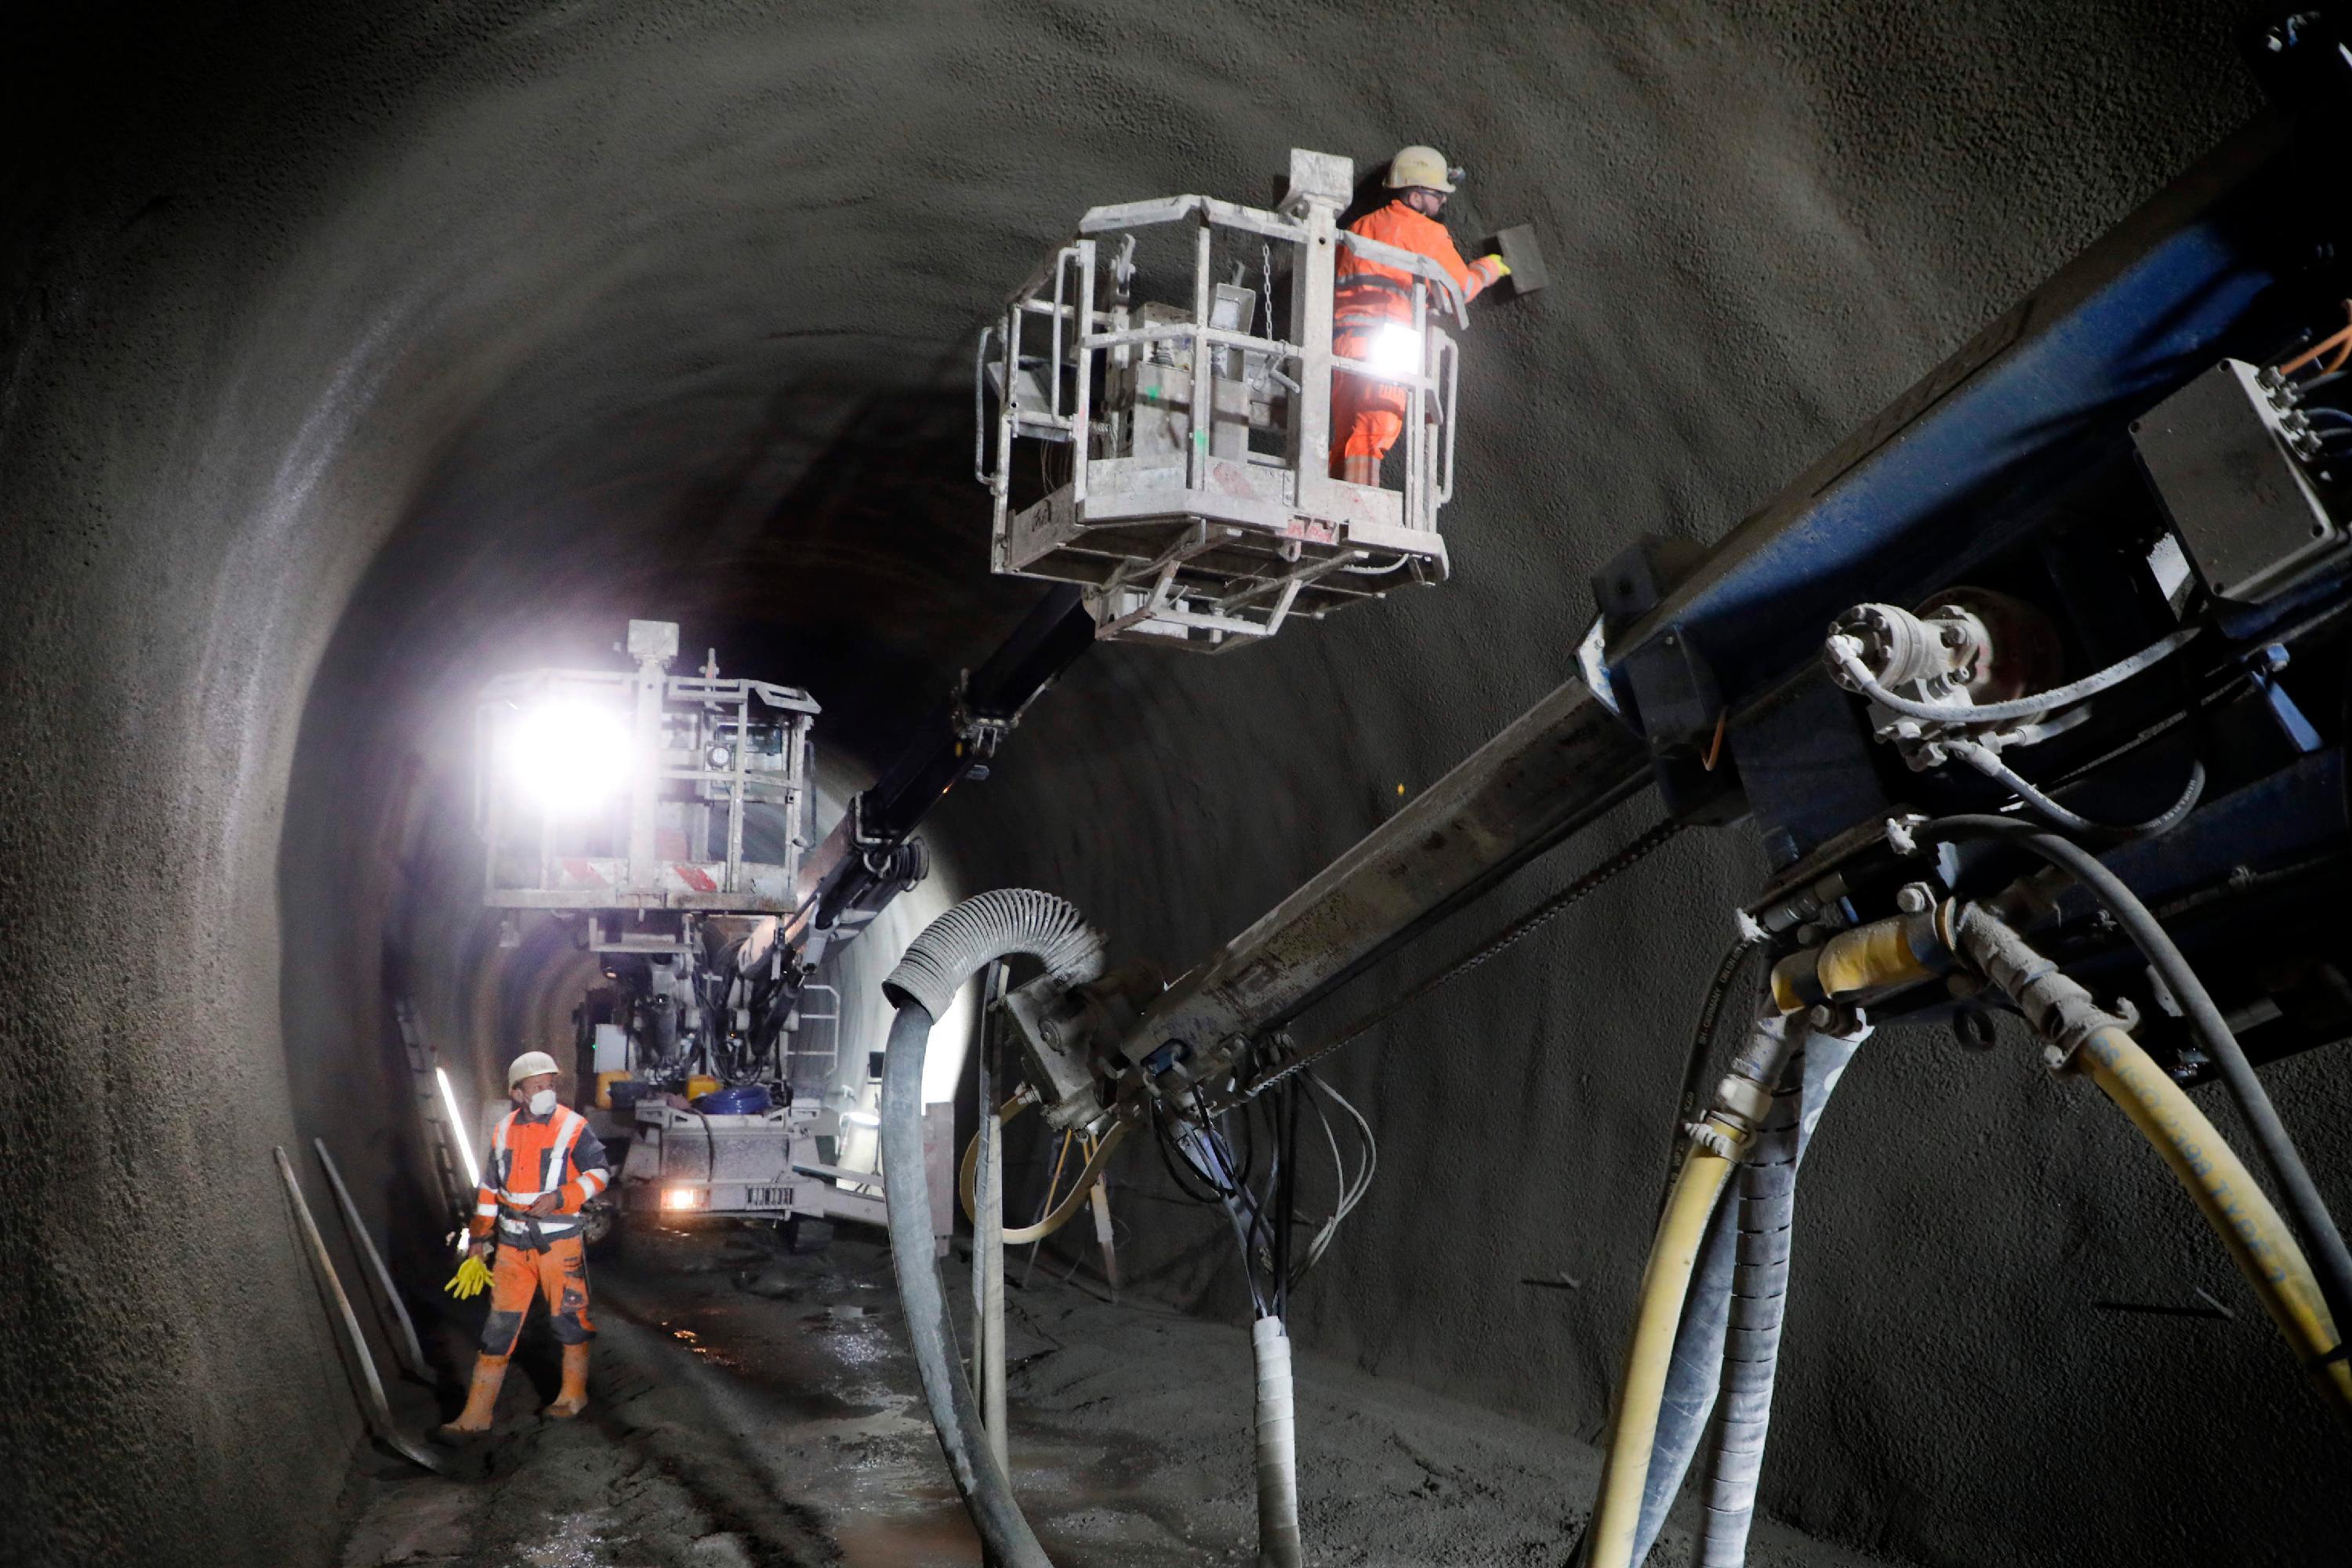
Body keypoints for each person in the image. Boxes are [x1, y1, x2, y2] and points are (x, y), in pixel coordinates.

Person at [439, 1050, 612, 1434]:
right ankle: (476, 1415)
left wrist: (561, 1197)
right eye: (537, 1086)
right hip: (512, 1248)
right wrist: (479, 1239)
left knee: (569, 1319)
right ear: (517, 1093)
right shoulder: (503, 1131)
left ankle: (573, 1395)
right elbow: (489, 1190)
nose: (546, 1092)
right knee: (499, 1327)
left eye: (550, 1085)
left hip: (558, 1244)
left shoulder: (573, 1126)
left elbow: (600, 1173)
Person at [1330, 145, 1511, 486]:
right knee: (1375, 427)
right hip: (1386, 343)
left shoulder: (1358, 227)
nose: (1443, 201)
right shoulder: (1425, 231)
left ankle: (1333, 498)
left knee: (1347, 432)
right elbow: (1459, 289)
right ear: (1415, 197)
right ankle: (1359, 503)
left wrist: (1422, 304)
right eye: (1437, 194)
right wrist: (1488, 269)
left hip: (1344, 344)